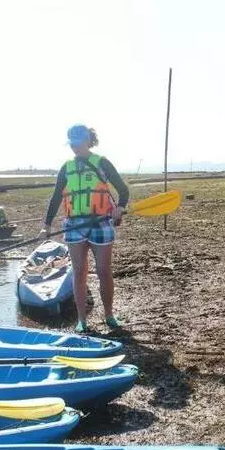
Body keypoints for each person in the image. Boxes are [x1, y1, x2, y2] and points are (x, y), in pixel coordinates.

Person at [38, 125, 129, 333]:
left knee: (104, 271)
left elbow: (123, 190)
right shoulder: (66, 167)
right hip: (74, 225)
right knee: (79, 272)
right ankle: (82, 320)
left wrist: (120, 208)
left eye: (78, 143)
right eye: (72, 144)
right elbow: (55, 198)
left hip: (101, 223)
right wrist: (46, 225)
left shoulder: (102, 163)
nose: (75, 148)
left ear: (88, 141)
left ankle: (109, 316)